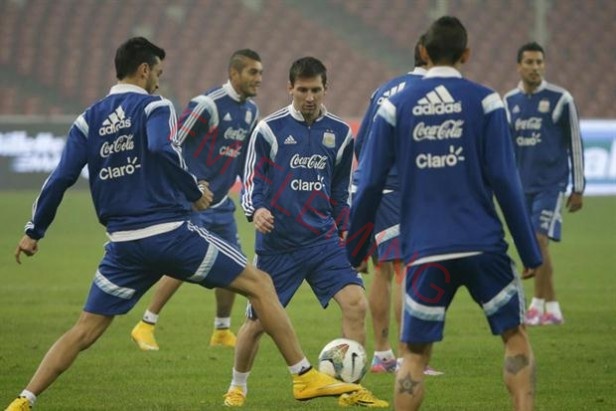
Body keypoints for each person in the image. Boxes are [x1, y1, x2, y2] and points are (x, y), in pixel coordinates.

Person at [6, 37, 361, 411]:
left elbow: (61, 177)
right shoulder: (155, 106)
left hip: (122, 245)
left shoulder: (87, 120)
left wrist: (34, 231)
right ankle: (303, 375)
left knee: (84, 330)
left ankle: (24, 398)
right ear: (144, 70)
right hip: (169, 233)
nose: (159, 80)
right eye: (157, 72)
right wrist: (194, 191)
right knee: (260, 284)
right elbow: (163, 148)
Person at [347, 16, 541, 411]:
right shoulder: (486, 101)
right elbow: (506, 181)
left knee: (414, 355)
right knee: (514, 337)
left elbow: (368, 183)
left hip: (426, 250)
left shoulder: (395, 105)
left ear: (423, 51)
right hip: (483, 246)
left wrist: (354, 248)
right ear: (466, 54)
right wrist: (529, 250)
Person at [222, 56, 388, 408]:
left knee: (356, 304)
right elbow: (251, 182)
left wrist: (347, 228)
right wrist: (257, 210)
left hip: (323, 240)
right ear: (290, 88)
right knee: (256, 322)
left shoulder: (341, 133)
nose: (309, 97)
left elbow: (340, 192)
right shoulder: (269, 129)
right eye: (302, 90)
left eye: (315, 90)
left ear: (326, 89)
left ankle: (350, 389)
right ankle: (237, 386)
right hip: (278, 245)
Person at [130, 49, 263, 351]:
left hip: (221, 204)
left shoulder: (251, 112)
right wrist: (193, 183)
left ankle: (221, 330)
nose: (259, 78)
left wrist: (249, 192)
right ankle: (145, 325)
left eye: (260, 73)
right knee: (183, 262)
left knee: (235, 264)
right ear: (234, 73)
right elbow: (173, 143)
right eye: (252, 72)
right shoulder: (207, 104)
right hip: (192, 201)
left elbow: (244, 158)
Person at [352, 34, 442, 377]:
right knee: (406, 267)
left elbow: (361, 142)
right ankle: (407, 358)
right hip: (399, 188)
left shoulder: (385, 88)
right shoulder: (432, 93)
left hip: (372, 186)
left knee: (383, 269)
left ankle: (383, 354)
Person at [504, 41, 585, 326]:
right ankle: (553, 308)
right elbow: (505, 148)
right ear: (519, 66)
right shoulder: (509, 102)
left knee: (539, 240)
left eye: (539, 62)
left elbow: (575, 143)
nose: (535, 67)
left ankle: (536, 306)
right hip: (520, 187)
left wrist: (578, 187)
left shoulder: (561, 99)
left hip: (551, 184)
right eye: (529, 62)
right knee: (538, 246)